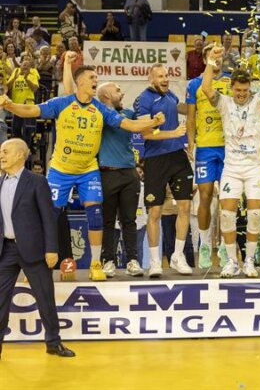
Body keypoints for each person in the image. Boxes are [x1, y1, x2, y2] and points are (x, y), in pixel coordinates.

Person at [0, 55, 162, 281]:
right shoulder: (62, 103)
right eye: (92, 77)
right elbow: (32, 111)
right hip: (60, 170)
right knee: (50, 216)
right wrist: (9, 105)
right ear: (81, 82)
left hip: (88, 170)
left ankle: (96, 263)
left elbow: (129, 124)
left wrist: (152, 123)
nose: (96, 79)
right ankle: (37, 264)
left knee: (95, 214)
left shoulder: (100, 109)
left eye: (97, 77)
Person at [202, 45, 260, 278]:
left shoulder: (258, 101)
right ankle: (231, 262)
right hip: (232, 168)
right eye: (238, 89)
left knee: (256, 214)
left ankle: (248, 261)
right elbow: (206, 87)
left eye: (245, 89)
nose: (241, 93)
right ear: (232, 88)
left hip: (255, 167)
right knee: (227, 214)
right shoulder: (224, 103)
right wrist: (210, 61)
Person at [0, 139, 75, 359]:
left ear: (20, 155)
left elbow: (48, 218)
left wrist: (52, 248)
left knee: (45, 298)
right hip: (6, 251)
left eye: (5, 151)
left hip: (35, 250)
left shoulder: (37, 181)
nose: (1, 155)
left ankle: (53, 342)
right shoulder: (0, 181)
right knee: (0, 300)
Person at [134, 64, 192, 277]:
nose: (165, 78)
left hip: (178, 157)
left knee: (185, 206)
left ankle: (177, 256)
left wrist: (199, 104)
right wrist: (174, 133)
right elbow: (146, 134)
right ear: (151, 79)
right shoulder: (144, 100)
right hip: (155, 159)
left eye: (166, 75)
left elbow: (182, 108)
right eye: (160, 76)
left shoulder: (171, 96)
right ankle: (156, 262)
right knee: (155, 212)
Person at [186, 44, 231, 269]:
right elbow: (191, 117)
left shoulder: (231, 82)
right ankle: (204, 245)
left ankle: (223, 246)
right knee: (204, 197)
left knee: (227, 200)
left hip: (228, 148)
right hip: (205, 147)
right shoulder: (194, 84)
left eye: (220, 54)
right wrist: (192, 143)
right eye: (212, 54)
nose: (217, 57)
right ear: (204, 59)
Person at [95, 82, 144, 277]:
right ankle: (108, 261)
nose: (121, 93)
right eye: (117, 90)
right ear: (106, 95)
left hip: (129, 173)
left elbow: (144, 124)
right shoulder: (98, 115)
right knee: (107, 221)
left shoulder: (129, 114)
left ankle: (132, 261)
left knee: (129, 220)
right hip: (107, 173)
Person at [6, 55, 39, 146]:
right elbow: (7, 87)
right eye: (24, 65)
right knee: (15, 129)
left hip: (28, 105)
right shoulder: (15, 73)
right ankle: (18, 147)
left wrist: (26, 79)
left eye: (28, 66)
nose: (25, 67)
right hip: (16, 106)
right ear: (20, 65)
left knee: (28, 130)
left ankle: (28, 148)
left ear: (30, 68)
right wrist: (15, 78)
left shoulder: (32, 75)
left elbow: (35, 89)